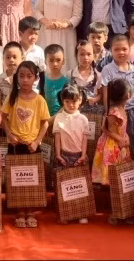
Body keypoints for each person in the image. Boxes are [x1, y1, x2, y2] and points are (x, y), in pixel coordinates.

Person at [1, 61, 50, 229]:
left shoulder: (39, 100)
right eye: (21, 76)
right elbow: (3, 118)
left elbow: (45, 123)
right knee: (17, 179)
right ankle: (19, 210)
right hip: (15, 145)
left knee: (31, 179)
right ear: (16, 78)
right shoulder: (12, 97)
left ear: (36, 78)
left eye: (29, 76)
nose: (25, 80)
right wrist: (9, 134)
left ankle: (30, 210)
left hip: (32, 146)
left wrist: (37, 141)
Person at [98, 35, 134, 158]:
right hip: (115, 113)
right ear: (111, 51)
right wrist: (108, 113)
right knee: (115, 142)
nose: (121, 52)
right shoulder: (107, 70)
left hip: (131, 111)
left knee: (131, 140)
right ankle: (114, 169)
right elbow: (105, 93)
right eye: (116, 49)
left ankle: (131, 169)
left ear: (129, 50)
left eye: (124, 49)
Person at [53, 84, 90, 225]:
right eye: (67, 101)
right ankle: (65, 213)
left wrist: (83, 155)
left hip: (79, 156)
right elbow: (57, 137)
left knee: (80, 187)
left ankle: (81, 213)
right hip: (63, 156)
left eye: (74, 101)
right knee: (64, 186)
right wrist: (58, 155)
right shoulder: (59, 118)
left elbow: (85, 139)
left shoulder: (83, 119)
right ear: (62, 101)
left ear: (80, 100)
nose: (71, 105)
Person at [92, 80, 131, 193]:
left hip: (121, 143)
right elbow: (104, 129)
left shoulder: (123, 109)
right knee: (110, 171)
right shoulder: (113, 112)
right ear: (127, 95)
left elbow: (122, 129)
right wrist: (119, 139)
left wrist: (125, 137)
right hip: (111, 144)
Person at [70, 40, 102, 114]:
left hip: (92, 114)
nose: (85, 57)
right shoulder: (71, 74)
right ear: (76, 56)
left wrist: (95, 99)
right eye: (82, 54)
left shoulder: (97, 75)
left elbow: (101, 94)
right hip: (75, 113)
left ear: (94, 56)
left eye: (89, 54)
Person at [41, 44, 68, 116]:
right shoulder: (42, 80)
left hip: (60, 119)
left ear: (63, 61)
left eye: (58, 60)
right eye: (51, 60)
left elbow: (66, 105)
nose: (55, 64)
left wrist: (51, 120)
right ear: (45, 61)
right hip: (43, 118)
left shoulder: (66, 82)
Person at [0, 41, 22, 109]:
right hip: (4, 115)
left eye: (15, 57)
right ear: (3, 58)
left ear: (22, 58)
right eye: (8, 57)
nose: (11, 60)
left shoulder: (25, 79)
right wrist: (3, 117)